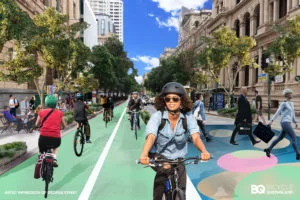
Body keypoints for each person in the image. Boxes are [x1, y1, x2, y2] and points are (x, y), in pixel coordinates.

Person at [139, 82, 211, 200]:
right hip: (159, 155)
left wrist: (204, 151)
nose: (171, 101)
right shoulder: (157, 116)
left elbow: (195, 137)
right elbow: (151, 136)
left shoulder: (188, 117)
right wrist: (144, 154)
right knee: (165, 167)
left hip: (179, 157)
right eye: (168, 99)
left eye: (175, 98)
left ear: (181, 100)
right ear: (164, 100)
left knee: (182, 190)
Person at [264, 89, 300, 160]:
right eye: (291, 94)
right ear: (287, 95)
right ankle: (298, 154)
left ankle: (268, 149)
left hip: (288, 123)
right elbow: (278, 112)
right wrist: (272, 121)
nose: (292, 95)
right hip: (284, 122)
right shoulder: (284, 103)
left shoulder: (292, 103)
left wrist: (295, 122)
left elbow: (292, 115)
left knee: (280, 138)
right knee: (294, 137)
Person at [35, 95, 66, 167]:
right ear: (55, 103)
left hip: (43, 137)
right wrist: (62, 128)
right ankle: (54, 159)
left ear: (46, 103)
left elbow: (36, 124)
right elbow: (64, 125)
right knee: (55, 147)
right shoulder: (60, 113)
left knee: (42, 150)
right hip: (56, 138)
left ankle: (42, 158)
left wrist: (37, 127)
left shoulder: (41, 112)